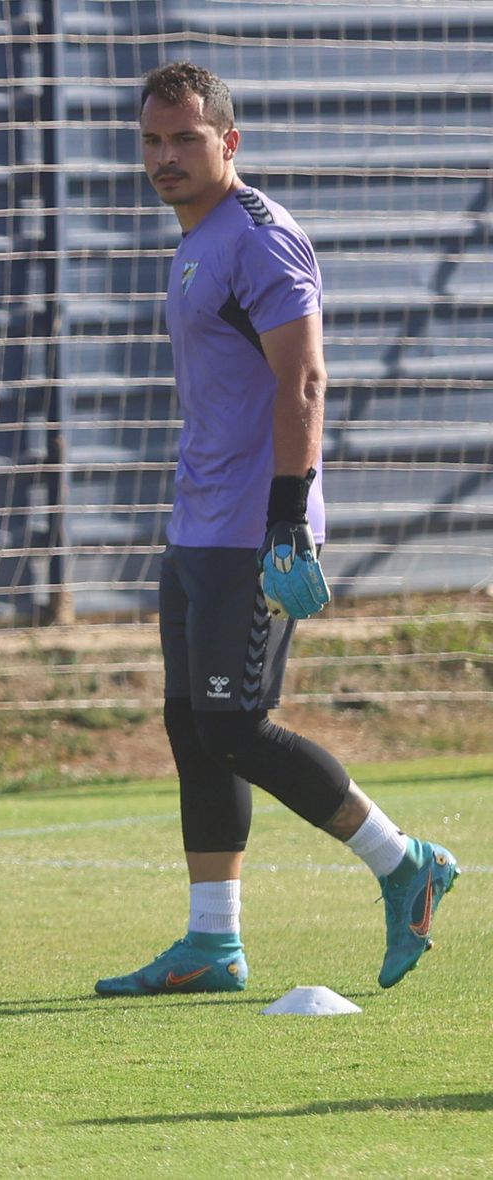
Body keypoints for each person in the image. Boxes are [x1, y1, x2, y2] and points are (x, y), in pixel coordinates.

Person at [95, 63, 458, 997]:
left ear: (230, 141)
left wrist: (288, 523)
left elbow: (302, 381)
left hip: (256, 530)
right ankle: (213, 944)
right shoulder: (195, 239)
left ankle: (402, 860)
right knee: (191, 725)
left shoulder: (260, 240)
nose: (165, 156)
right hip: (197, 525)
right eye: (152, 140)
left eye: (185, 138)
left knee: (235, 724)